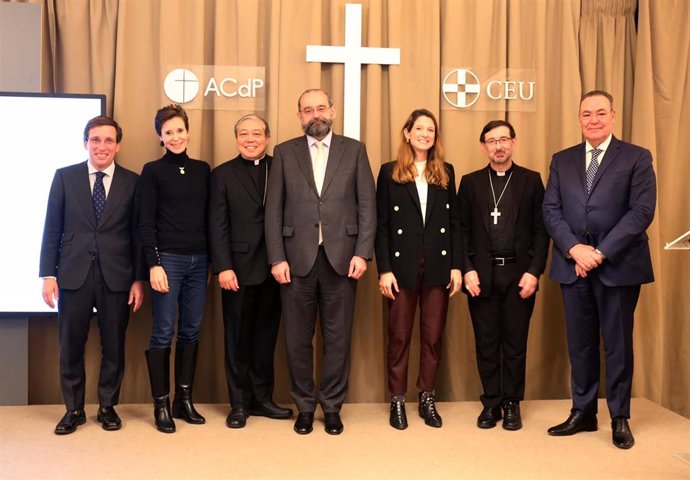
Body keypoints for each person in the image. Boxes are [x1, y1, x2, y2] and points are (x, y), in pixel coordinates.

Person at [543, 90, 656, 449]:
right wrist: (575, 249)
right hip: (571, 263)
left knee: (618, 344)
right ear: (579, 118)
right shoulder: (562, 160)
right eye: (586, 114)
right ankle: (583, 412)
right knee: (580, 344)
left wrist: (600, 253)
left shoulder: (637, 157)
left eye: (600, 113)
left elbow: (641, 212)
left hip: (618, 265)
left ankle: (619, 416)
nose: (593, 120)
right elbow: (551, 210)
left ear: (613, 116)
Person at [265, 88, 376, 435]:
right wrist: (276, 257)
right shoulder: (284, 153)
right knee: (297, 339)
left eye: (321, 108)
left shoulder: (354, 150)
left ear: (333, 111)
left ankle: (331, 406)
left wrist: (362, 252)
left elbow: (367, 206)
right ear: (299, 115)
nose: (316, 115)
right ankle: (304, 406)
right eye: (308, 110)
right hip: (295, 260)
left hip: (342, 259)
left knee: (337, 338)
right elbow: (273, 211)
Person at [40, 116, 144, 434]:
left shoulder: (132, 181)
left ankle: (107, 407)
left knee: (114, 345)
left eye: (109, 140)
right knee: (71, 345)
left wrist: (138, 278)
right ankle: (73, 410)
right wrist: (48, 274)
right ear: (85, 143)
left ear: (118, 145)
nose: (102, 146)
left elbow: (138, 234)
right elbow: (52, 228)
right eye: (95, 140)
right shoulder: (65, 177)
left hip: (118, 276)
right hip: (72, 274)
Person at [458, 120, 548, 431]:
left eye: (504, 139)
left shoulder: (531, 181)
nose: (498, 146)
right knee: (486, 342)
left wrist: (535, 272)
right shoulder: (470, 183)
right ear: (483, 146)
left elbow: (541, 231)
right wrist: (467, 269)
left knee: (515, 343)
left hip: (519, 274)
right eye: (492, 141)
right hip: (481, 276)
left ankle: (512, 403)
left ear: (514, 142)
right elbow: (462, 232)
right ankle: (491, 403)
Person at [375, 109, 461, 430]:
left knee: (433, 336)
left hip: (438, 265)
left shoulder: (446, 171)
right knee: (399, 336)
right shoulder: (389, 172)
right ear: (407, 132)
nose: (425, 134)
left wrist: (456, 266)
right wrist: (384, 270)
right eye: (420, 128)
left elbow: (454, 225)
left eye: (431, 130)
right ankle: (397, 399)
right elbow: (381, 226)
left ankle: (427, 396)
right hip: (401, 268)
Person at [209, 114, 293, 428]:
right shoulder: (222, 174)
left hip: (276, 268)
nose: (250, 139)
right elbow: (216, 226)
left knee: (265, 338)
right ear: (236, 138)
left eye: (256, 133)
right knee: (237, 339)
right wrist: (224, 267)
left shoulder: (282, 168)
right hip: (238, 271)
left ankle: (262, 399)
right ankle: (239, 404)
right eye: (243, 133)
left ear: (267, 137)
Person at [139, 104, 211, 433]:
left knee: (191, 331)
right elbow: (145, 223)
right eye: (168, 132)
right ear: (160, 137)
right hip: (167, 261)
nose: (175, 136)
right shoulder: (152, 171)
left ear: (189, 132)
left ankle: (184, 400)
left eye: (180, 130)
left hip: (199, 261)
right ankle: (161, 404)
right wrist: (153, 264)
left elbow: (209, 220)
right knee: (163, 331)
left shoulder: (202, 170)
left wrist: (211, 261)